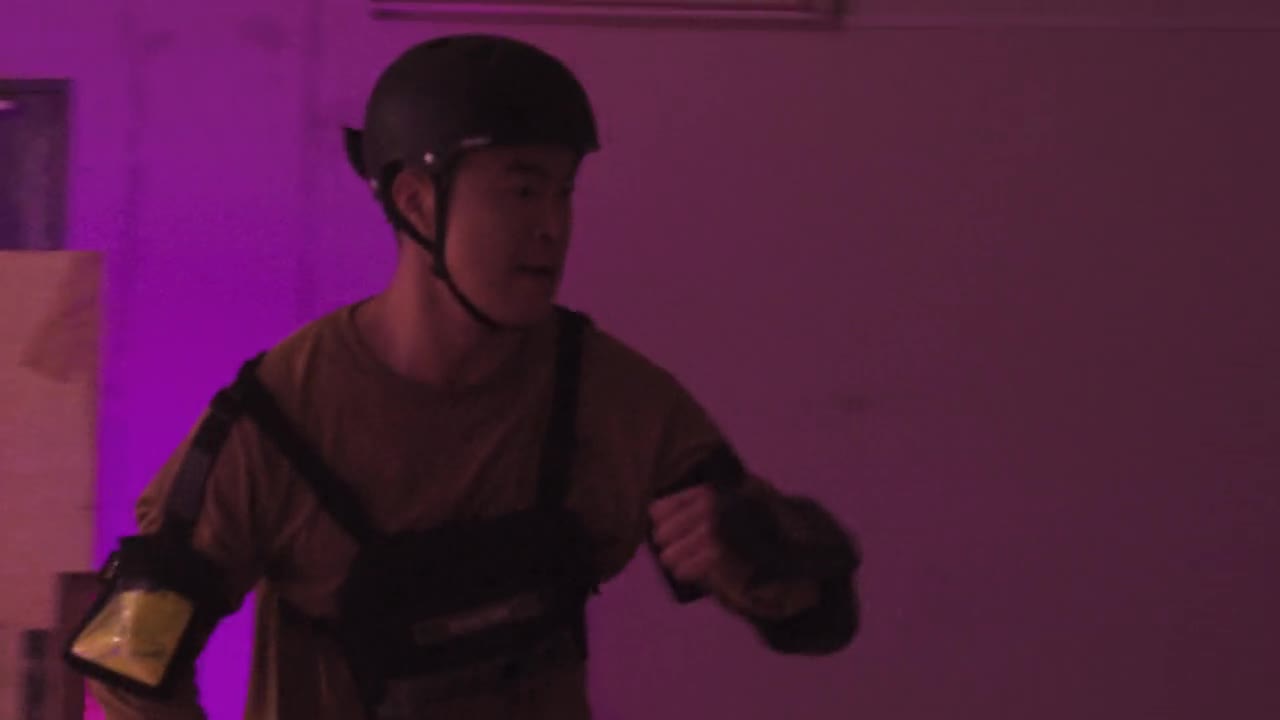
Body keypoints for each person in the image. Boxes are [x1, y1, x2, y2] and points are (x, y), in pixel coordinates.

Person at [79, 33, 860, 720]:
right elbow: (126, 657)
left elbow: (819, 619)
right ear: (417, 202)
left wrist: (756, 548)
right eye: (521, 190)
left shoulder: (611, 399)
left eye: (564, 192)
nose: (552, 226)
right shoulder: (281, 417)